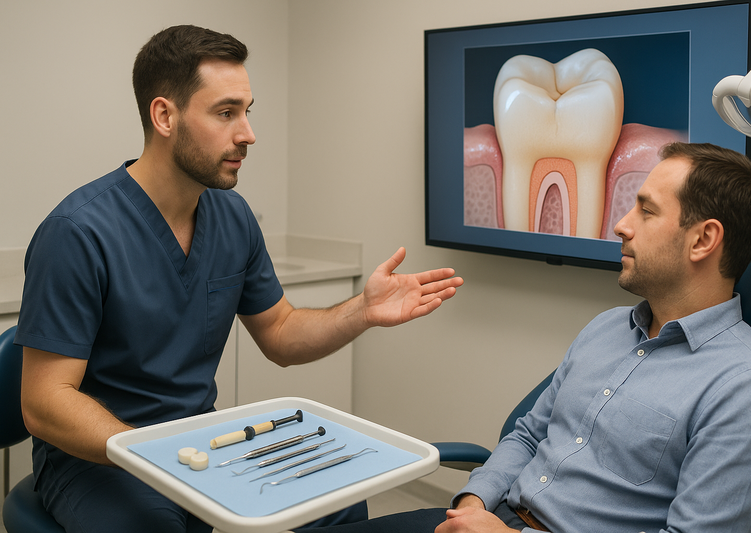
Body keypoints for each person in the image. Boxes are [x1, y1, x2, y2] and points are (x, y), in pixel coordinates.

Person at [15, 25, 463, 533]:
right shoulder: (76, 233)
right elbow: (44, 402)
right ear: (165, 115)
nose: (248, 133)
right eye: (226, 113)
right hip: (97, 458)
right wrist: (151, 455)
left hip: (202, 442)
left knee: (336, 503)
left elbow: (281, 333)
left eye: (248, 112)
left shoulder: (231, 216)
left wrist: (360, 311)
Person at [298, 142, 751, 533]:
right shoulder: (606, 328)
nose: (621, 225)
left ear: (703, 240)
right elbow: (529, 434)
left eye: (645, 210)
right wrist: (472, 505)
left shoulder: (748, 388)